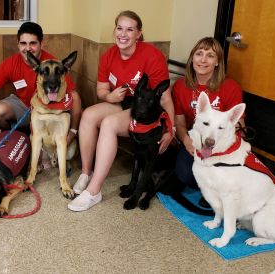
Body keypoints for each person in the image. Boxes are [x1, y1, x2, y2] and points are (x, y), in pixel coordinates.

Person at [68, 10, 175, 212]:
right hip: (120, 102)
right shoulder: (108, 55)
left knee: (108, 124)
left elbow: (166, 97)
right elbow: (101, 90)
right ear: (114, 30)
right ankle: (86, 172)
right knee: (89, 114)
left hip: (142, 110)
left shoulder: (152, 56)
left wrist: (171, 129)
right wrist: (110, 96)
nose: (123, 34)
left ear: (138, 34)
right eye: (119, 28)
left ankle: (94, 191)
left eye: (130, 29)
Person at [0, 22, 81, 145]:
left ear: (42, 43)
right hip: (23, 106)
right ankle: (16, 137)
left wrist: (72, 133)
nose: (28, 48)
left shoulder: (53, 65)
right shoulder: (10, 63)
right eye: (23, 43)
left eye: (33, 43)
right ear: (18, 44)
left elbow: (75, 97)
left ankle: (37, 138)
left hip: (47, 109)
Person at [172, 37, 245, 206]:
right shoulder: (180, 86)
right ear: (192, 59)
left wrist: (220, 147)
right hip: (197, 142)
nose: (203, 60)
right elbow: (180, 124)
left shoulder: (230, 87)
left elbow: (239, 125)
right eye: (199, 54)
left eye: (210, 55)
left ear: (217, 62)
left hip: (222, 143)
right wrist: (186, 141)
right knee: (186, 175)